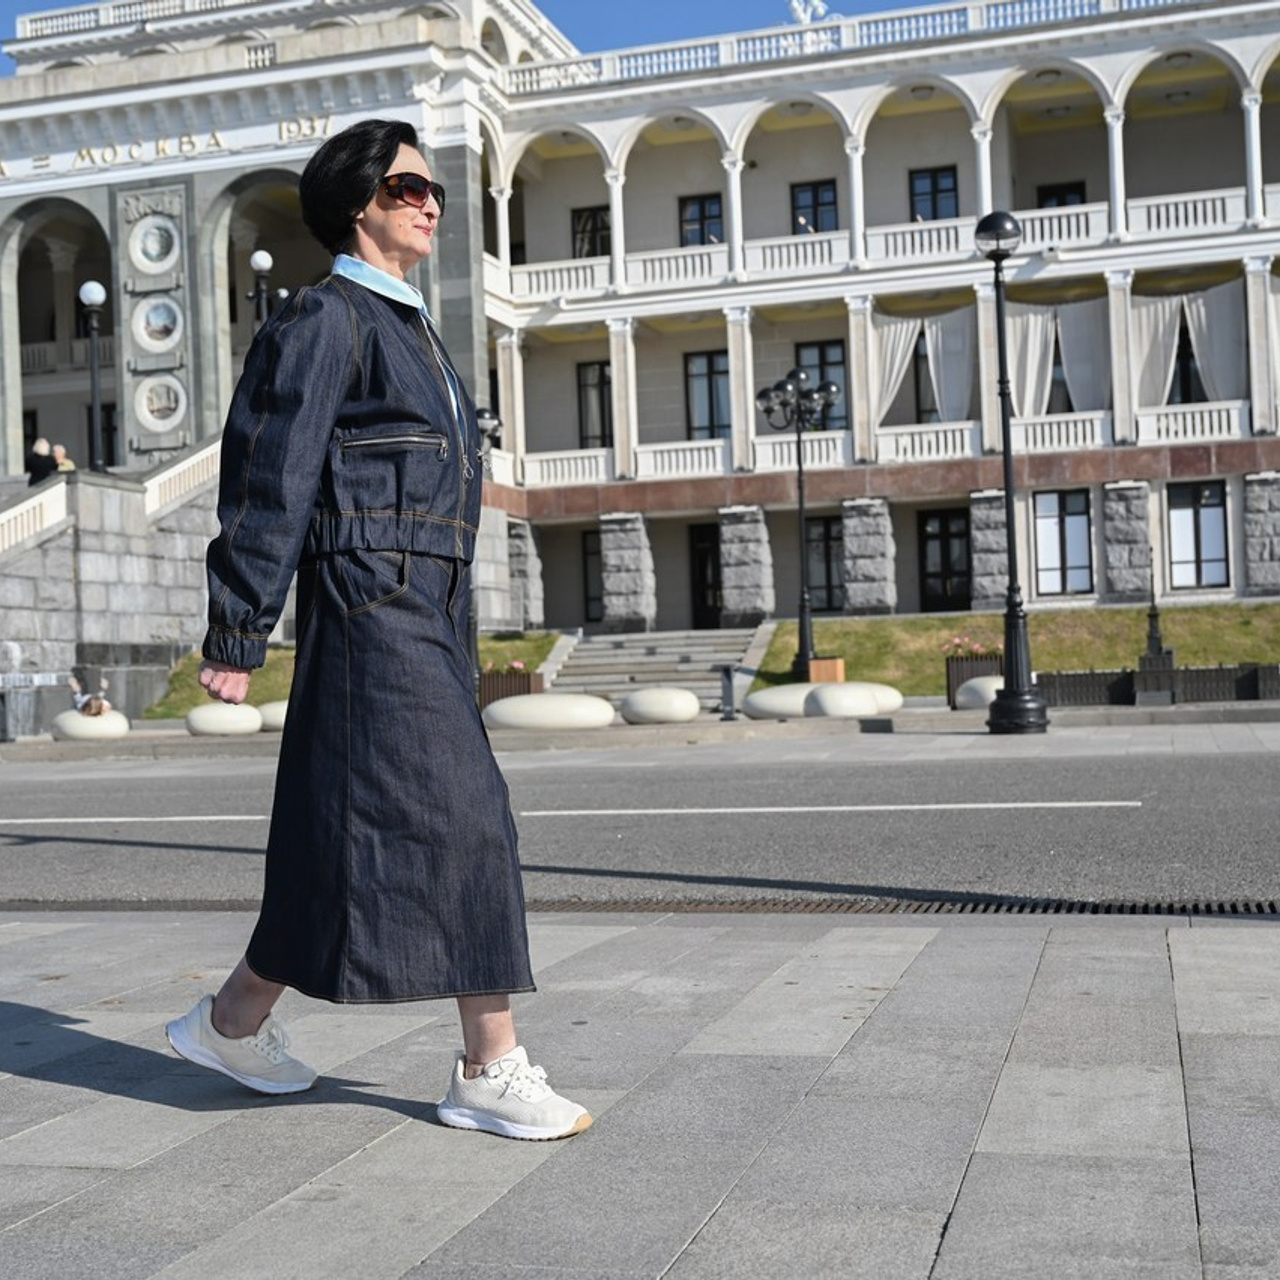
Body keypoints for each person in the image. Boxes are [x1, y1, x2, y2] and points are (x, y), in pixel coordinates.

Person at [164, 119, 590, 1142]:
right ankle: (489, 1059)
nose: (429, 203)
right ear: (358, 201)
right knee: (465, 815)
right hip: (368, 602)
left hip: (423, 604)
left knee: (333, 835)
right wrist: (237, 628)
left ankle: (232, 1018)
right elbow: (271, 473)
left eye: (433, 189)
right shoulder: (325, 318)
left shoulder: (415, 331)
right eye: (407, 186)